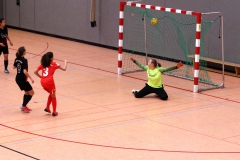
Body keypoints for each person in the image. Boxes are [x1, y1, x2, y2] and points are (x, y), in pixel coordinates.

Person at [34, 52, 67, 116]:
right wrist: (65, 62)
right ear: (51, 58)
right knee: (53, 95)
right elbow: (64, 69)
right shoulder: (54, 64)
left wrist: (41, 77)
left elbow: (35, 72)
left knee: (51, 94)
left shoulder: (43, 64)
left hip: (43, 82)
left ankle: (47, 107)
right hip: (50, 82)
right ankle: (54, 112)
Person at [13, 46, 34, 112]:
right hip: (22, 79)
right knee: (32, 92)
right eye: (25, 51)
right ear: (23, 52)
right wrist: (31, 78)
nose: (26, 52)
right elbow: (25, 71)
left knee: (27, 92)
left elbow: (14, 67)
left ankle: (24, 106)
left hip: (17, 78)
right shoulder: (24, 60)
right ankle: (23, 106)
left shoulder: (16, 59)